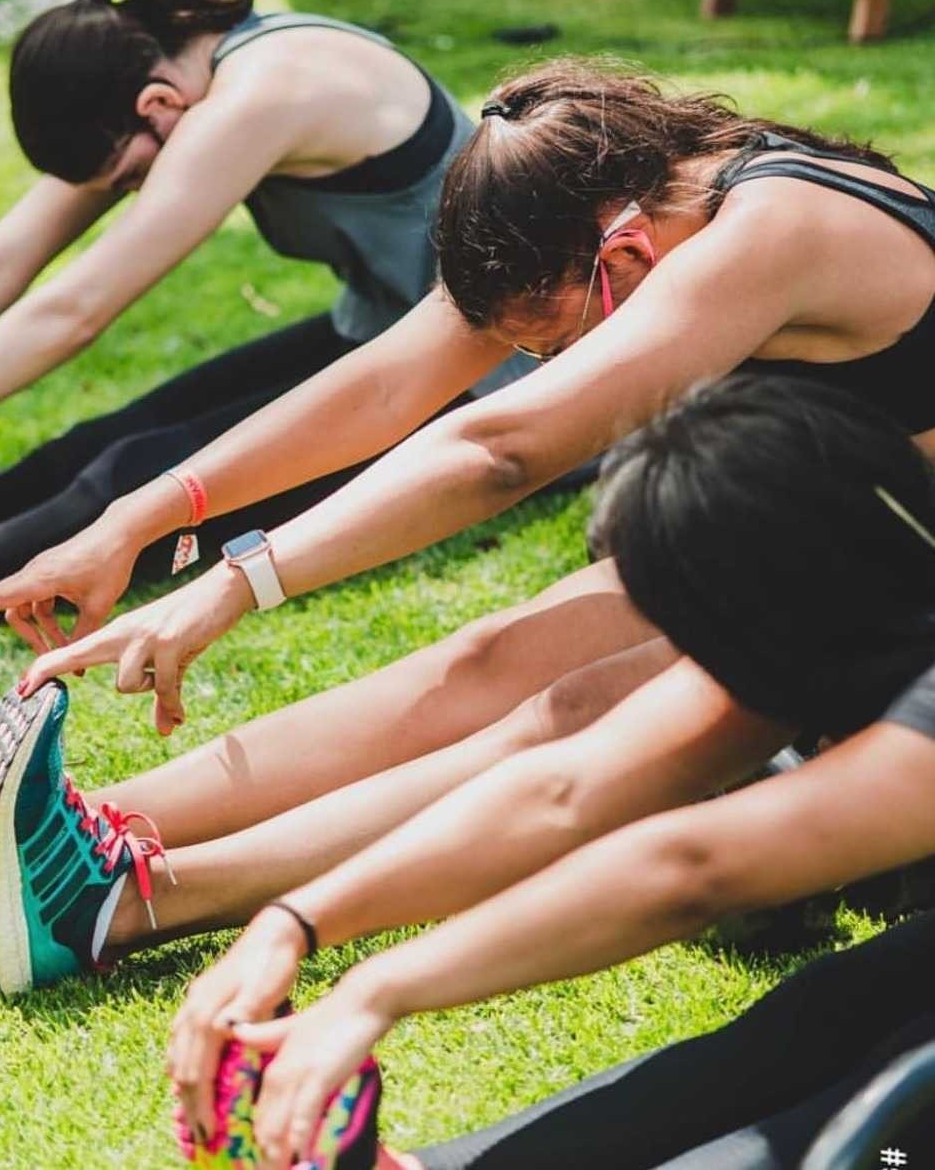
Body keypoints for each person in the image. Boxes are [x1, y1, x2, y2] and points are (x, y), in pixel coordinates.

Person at [0, 57, 933, 741]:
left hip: (894, 580)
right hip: (842, 541)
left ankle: (122, 866)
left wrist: (236, 583)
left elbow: (501, 450)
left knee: (552, 703)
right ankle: (98, 834)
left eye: (552, 347)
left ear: (622, 256)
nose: (550, 366)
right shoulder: (604, 198)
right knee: (509, 667)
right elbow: (390, 383)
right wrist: (135, 518)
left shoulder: (768, 232)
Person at [163, 373, 935, 1169]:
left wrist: (374, 990)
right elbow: (566, 791)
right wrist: (296, 921)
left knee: (859, 1123)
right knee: (817, 1017)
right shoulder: (857, 582)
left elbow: (692, 870)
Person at [0, 0, 546, 690]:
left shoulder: (262, 92)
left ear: (158, 106)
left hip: (500, 376)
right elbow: (5, 258)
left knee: (129, 481)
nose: (129, 194)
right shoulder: (170, 81)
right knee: (95, 442)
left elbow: (75, 308)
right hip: (386, 335)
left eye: (126, 181)